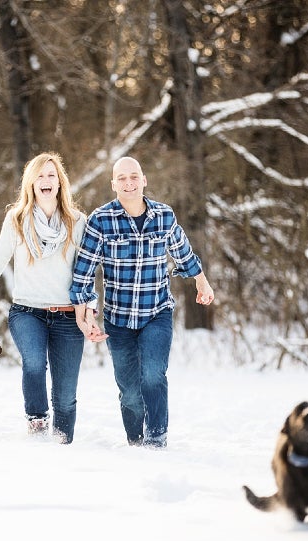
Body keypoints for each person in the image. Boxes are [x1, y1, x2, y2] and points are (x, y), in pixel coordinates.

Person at [70, 156, 214, 448]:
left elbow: (183, 253)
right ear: (113, 185)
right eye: (121, 178)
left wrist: (201, 280)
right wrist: (85, 313)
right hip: (119, 319)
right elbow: (84, 270)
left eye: (134, 176)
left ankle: (157, 440)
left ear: (144, 180)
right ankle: (136, 443)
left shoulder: (164, 216)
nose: (129, 183)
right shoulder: (101, 220)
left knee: (153, 375)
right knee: (130, 391)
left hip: (156, 313)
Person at [0, 152, 95, 444]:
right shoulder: (17, 220)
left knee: (66, 396)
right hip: (27, 313)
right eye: (40, 176)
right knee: (33, 363)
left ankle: (63, 443)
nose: (46, 180)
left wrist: (89, 311)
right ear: (30, 183)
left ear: (60, 182)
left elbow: (88, 271)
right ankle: (37, 422)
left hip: (68, 316)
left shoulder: (78, 221)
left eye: (51, 175)